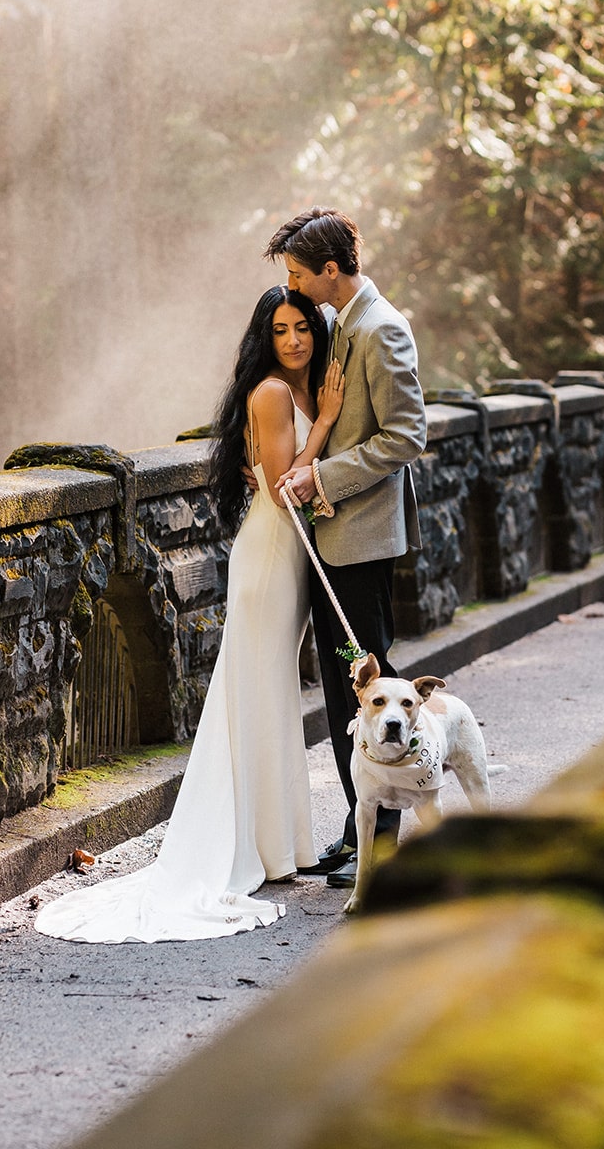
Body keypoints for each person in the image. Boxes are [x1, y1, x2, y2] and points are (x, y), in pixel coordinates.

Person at [34, 286, 344, 943]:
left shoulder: (297, 387)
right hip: (269, 551)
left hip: (286, 551)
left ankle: (278, 845)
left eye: (302, 329)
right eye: (281, 330)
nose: (293, 340)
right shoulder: (269, 393)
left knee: (270, 691)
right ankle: (254, 844)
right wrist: (326, 422)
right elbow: (285, 481)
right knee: (255, 688)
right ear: (265, 337)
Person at [266, 207, 427, 890]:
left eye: (299, 273)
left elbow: (405, 434)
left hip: (360, 541)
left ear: (330, 270)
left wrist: (320, 476)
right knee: (342, 693)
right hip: (334, 536)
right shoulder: (343, 325)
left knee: (366, 681)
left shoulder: (382, 327)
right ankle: (357, 824)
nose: (295, 286)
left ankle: (380, 848)